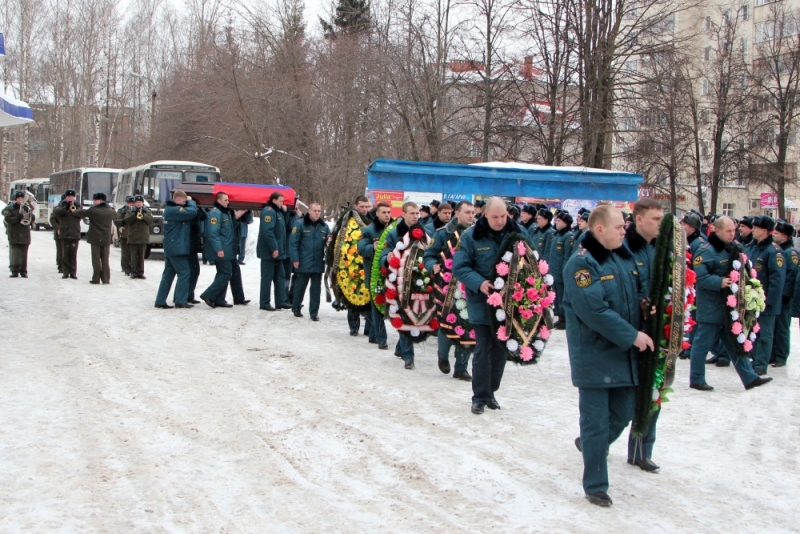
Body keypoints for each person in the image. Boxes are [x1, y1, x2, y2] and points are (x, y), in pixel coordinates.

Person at [562, 205, 654, 507]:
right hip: (595, 355)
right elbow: (595, 312)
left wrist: (644, 307)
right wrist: (632, 336)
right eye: (618, 226)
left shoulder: (622, 258)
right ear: (599, 229)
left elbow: (632, 295)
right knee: (596, 423)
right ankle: (596, 484)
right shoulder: (582, 265)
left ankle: (590, 446)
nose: (624, 230)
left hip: (623, 355)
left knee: (624, 413)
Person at [688, 216, 773, 391]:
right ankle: (696, 379)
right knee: (702, 344)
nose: (732, 234)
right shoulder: (706, 251)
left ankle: (749, 377)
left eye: (733, 230)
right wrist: (719, 282)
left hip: (730, 309)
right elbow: (700, 277)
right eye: (728, 231)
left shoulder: (734, 249)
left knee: (735, 344)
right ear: (716, 230)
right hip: (711, 308)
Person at [453, 197, 522, 412]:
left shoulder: (517, 234)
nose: (500, 221)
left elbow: (532, 260)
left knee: (500, 350)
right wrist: (480, 283)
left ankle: (492, 391)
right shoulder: (471, 236)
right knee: (483, 349)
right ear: (485, 215)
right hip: (481, 302)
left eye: (503, 216)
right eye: (495, 217)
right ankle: (479, 397)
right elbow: (460, 267)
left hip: (508, 305)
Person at [621, 198, 663, 473]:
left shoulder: (663, 247)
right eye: (655, 219)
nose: (661, 224)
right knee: (624, 396)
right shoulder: (623, 248)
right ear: (639, 219)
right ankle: (596, 437)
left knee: (655, 389)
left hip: (658, 328)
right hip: (631, 329)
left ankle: (642, 449)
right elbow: (623, 286)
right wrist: (642, 303)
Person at [424, 200, 475, 381]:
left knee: (469, 324)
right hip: (445, 286)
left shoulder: (477, 234)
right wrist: (433, 266)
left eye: (473, 212)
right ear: (457, 213)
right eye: (467, 212)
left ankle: (461, 367)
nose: (471, 215)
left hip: (469, 286)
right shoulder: (442, 234)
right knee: (447, 321)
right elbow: (428, 255)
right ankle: (443, 354)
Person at [380, 201, 425, 368]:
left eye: (417, 213)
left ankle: (401, 347)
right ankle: (408, 356)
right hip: (399, 281)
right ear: (404, 214)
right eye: (412, 213)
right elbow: (384, 253)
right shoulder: (393, 234)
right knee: (405, 316)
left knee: (414, 318)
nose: (415, 216)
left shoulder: (424, 233)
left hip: (418, 281)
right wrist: (388, 258)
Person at [745, 215, 786, 376]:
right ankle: (754, 358)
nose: (752, 230)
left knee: (765, 334)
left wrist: (769, 301)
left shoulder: (774, 251)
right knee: (752, 331)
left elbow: (777, 279)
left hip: (766, 300)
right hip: (751, 298)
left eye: (755, 228)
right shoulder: (751, 247)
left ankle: (761, 363)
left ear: (764, 231)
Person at [357, 201, 393, 350]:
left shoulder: (394, 230)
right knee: (377, 306)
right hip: (374, 276)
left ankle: (373, 334)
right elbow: (360, 248)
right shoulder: (369, 231)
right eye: (383, 212)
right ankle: (381, 338)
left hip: (391, 276)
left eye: (388, 212)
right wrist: (372, 247)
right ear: (377, 213)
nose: (386, 215)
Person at [155, 190, 198, 309]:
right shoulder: (174, 210)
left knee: (168, 275)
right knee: (184, 272)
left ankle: (160, 300)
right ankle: (180, 300)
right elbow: (191, 212)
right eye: (184, 201)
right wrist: (192, 202)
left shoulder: (171, 210)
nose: (185, 203)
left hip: (173, 246)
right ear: (177, 200)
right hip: (176, 247)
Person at [290, 203, 331, 321]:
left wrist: (329, 241)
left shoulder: (324, 227)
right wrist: (295, 259)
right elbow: (293, 244)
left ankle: (314, 312)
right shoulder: (299, 225)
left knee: (316, 289)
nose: (317, 213)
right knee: (300, 287)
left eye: (319, 211)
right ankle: (296, 307)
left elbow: (328, 243)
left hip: (318, 262)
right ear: (309, 211)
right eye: (314, 210)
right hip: (303, 261)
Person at [200, 192, 237, 308]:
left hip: (227, 248)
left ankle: (219, 299)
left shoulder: (225, 213)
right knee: (226, 273)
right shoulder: (215, 213)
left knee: (222, 273)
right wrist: (218, 249)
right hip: (222, 249)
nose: (228, 202)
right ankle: (208, 294)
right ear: (219, 200)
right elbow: (213, 233)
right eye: (225, 200)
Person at [71, 192, 116, 284]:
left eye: (95, 200)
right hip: (106, 238)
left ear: (100, 200)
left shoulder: (93, 210)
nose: (94, 201)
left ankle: (96, 278)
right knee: (105, 259)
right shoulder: (111, 211)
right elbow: (117, 218)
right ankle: (106, 278)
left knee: (96, 259)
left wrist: (74, 208)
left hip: (95, 238)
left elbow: (78, 213)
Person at [771, 220, 797, 368]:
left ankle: (781, 355)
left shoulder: (790, 253)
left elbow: (791, 275)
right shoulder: (779, 251)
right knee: (774, 326)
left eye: (777, 233)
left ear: (785, 236)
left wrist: (786, 295)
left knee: (782, 327)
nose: (774, 235)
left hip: (785, 297)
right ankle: (773, 354)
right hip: (778, 296)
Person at [257, 192, 289, 311]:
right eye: (280, 201)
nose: (282, 203)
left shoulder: (277, 212)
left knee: (280, 276)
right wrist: (274, 248)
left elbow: (282, 227)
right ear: (274, 200)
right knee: (267, 277)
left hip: (278, 252)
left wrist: (285, 212)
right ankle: (264, 302)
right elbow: (268, 232)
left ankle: (281, 301)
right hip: (268, 252)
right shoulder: (269, 211)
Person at [348, 196, 374, 338]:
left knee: (370, 296)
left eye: (367, 206)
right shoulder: (347, 220)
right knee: (353, 294)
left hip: (369, 262)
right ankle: (353, 326)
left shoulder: (373, 222)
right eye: (362, 206)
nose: (364, 209)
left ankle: (369, 327)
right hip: (351, 263)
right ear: (356, 206)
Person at [548, 210, 575, 329]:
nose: (556, 223)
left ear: (565, 223)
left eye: (559, 221)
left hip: (561, 272)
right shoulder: (557, 234)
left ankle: (564, 318)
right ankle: (559, 316)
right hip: (554, 271)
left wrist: (564, 272)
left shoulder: (568, 236)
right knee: (556, 296)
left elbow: (566, 256)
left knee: (562, 296)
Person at [52, 189, 82, 279]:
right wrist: (66, 207)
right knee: (65, 254)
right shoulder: (60, 206)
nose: (70, 198)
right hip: (64, 233)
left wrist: (75, 207)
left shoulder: (77, 206)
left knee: (73, 254)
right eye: (68, 196)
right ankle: (65, 272)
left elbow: (82, 214)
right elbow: (57, 213)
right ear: (65, 197)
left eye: (72, 196)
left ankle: (73, 272)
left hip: (74, 233)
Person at [3, 191, 33, 277]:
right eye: (19, 198)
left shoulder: (27, 208)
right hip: (14, 234)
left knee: (24, 255)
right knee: (15, 255)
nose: (20, 200)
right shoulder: (10, 208)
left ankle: (23, 271)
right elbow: (7, 219)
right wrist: (17, 218)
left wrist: (30, 213)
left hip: (24, 234)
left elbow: (31, 219)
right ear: (15, 199)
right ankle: (15, 271)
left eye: (22, 198)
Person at [124, 195, 154, 279]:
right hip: (133, 236)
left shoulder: (147, 211)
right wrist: (134, 215)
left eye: (140, 202)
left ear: (142, 203)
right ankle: (133, 272)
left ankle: (140, 272)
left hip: (143, 237)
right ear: (134, 203)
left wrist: (143, 215)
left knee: (141, 256)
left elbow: (150, 221)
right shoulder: (130, 211)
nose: (138, 204)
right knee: (133, 256)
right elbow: (126, 221)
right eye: (137, 202)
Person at [229, 208, 253, 305]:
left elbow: (249, 220)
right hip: (226, 247)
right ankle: (211, 296)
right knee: (224, 274)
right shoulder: (224, 212)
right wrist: (236, 217)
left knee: (234, 272)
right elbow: (228, 227)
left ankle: (239, 298)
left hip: (232, 246)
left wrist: (247, 211)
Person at [187, 205, 206, 304]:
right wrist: (192, 206)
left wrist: (199, 208)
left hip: (192, 246)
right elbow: (192, 218)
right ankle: (185, 295)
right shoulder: (188, 211)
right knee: (190, 271)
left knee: (193, 271)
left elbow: (204, 217)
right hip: (188, 246)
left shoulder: (194, 210)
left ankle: (189, 295)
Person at [115, 195, 134, 276]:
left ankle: (132, 267)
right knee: (125, 253)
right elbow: (117, 220)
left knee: (133, 253)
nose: (131, 205)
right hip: (125, 233)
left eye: (132, 203)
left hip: (134, 234)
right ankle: (125, 268)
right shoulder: (121, 210)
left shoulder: (136, 210)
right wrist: (124, 220)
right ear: (126, 203)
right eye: (129, 203)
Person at [50, 193, 65, 273]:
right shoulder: (57, 208)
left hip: (68, 232)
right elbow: (52, 219)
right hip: (59, 232)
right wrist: (57, 228)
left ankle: (66, 265)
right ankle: (60, 266)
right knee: (60, 251)